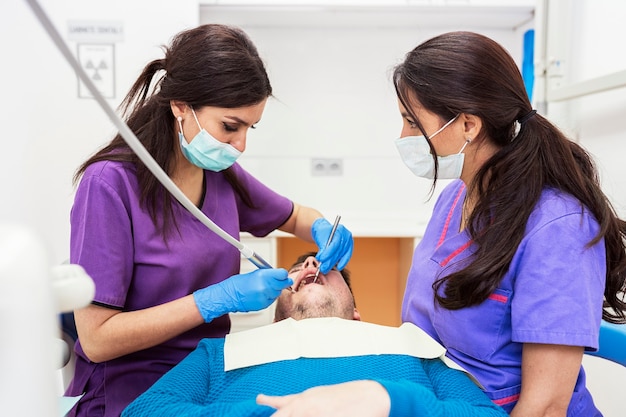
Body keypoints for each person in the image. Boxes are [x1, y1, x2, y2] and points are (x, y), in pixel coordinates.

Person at [254, 32, 626, 417]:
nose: (403, 137)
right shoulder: (455, 198)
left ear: (468, 125)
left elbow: (545, 407)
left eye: (412, 123)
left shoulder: (558, 228)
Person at [64, 24, 353, 417]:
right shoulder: (109, 185)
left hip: (212, 378)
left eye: (250, 128)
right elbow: (96, 339)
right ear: (180, 106)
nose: (241, 145)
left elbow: (299, 216)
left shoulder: (219, 173)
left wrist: (325, 230)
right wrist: (216, 299)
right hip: (133, 392)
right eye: (230, 127)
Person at [121, 253, 509, 417]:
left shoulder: (409, 343)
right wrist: (281, 410)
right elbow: (142, 412)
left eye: (328, 267)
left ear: (357, 313)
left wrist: (389, 400)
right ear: (275, 317)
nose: (310, 264)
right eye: (297, 267)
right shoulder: (223, 351)